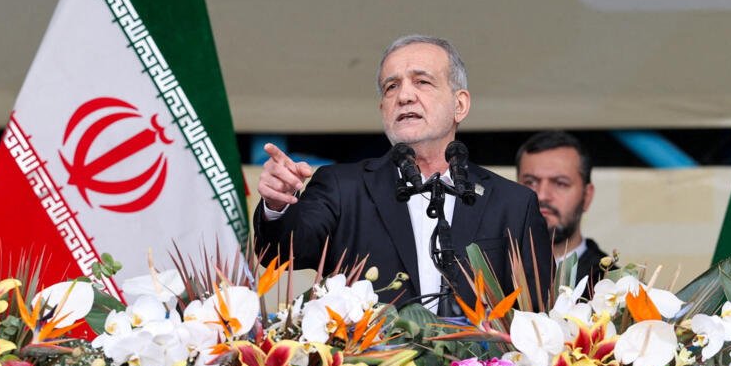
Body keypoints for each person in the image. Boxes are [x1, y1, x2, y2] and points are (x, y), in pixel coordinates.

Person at [255, 35, 553, 311]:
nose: (404, 96)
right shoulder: (343, 187)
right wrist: (278, 205)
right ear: (383, 107)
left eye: (422, 82)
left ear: (459, 105)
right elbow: (281, 254)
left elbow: (538, 314)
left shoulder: (513, 204)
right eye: (391, 86)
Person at [515, 131, 607, 292]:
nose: (541, 195)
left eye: (560, 183)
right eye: (530, 182)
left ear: (587, 196)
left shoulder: (613, 285)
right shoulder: (489, 275)